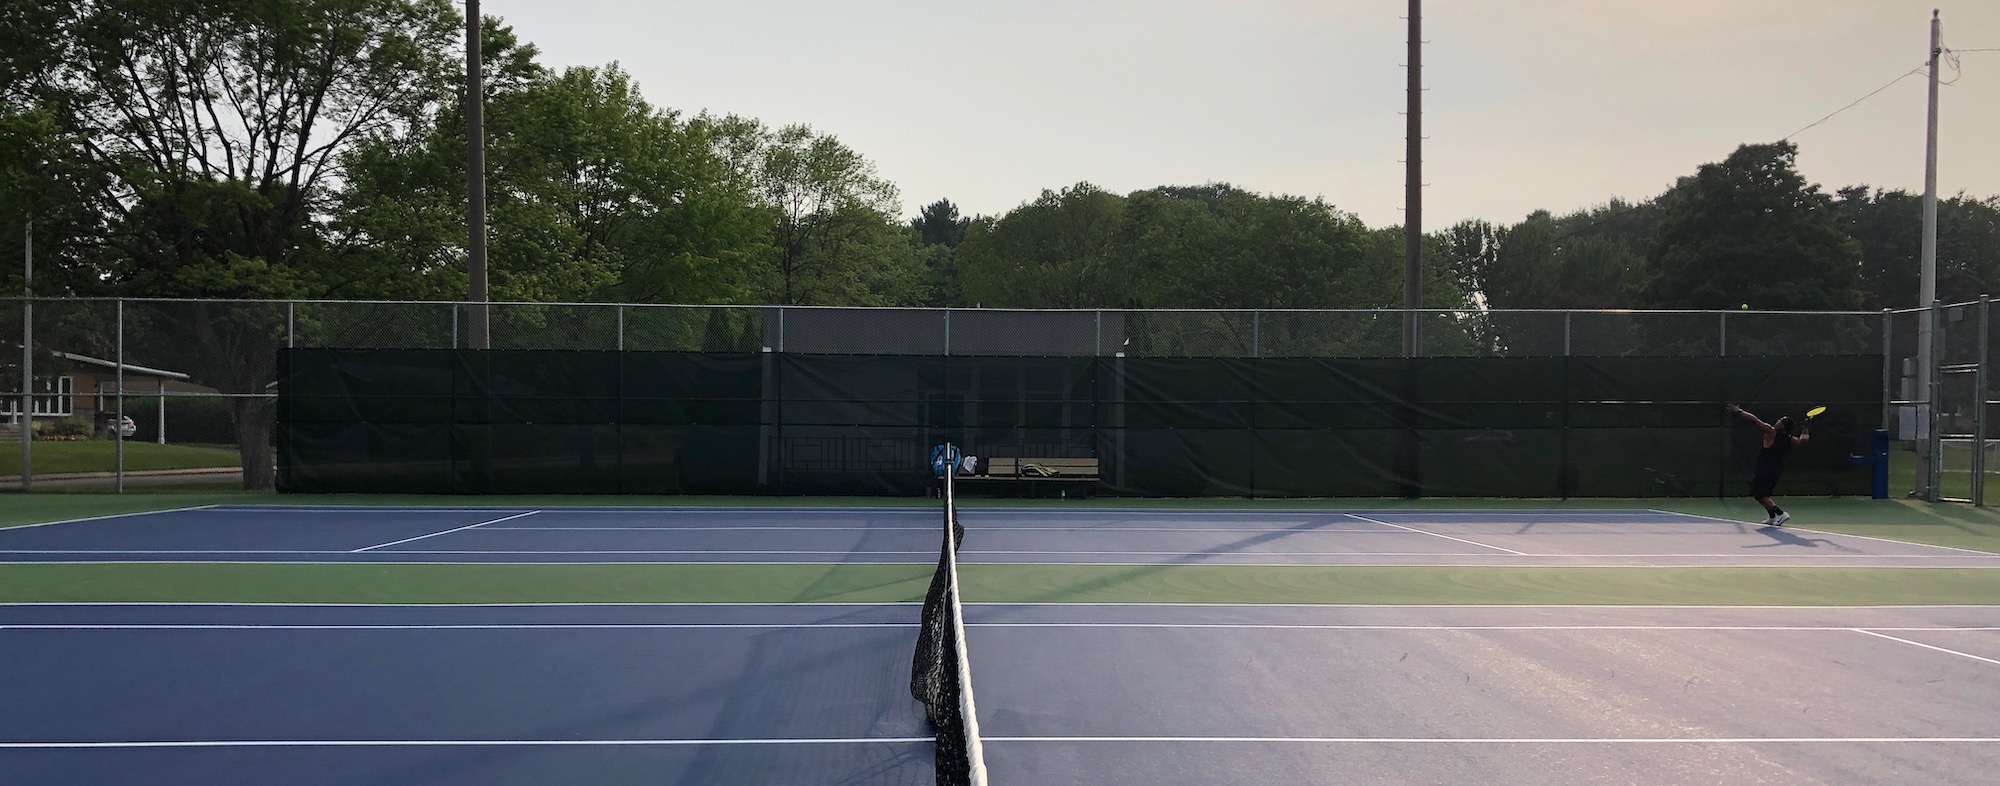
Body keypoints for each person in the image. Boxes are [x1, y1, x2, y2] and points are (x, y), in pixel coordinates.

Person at [1725, 404, 1809, 526]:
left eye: (1781, 421)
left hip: (1765, 470)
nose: (1778, 421)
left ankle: (1780, 513)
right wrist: (1806, 427)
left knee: (1759, 494)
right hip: (1775, 471)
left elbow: (1754, 420)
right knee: (1764, 494)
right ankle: (1772, 517)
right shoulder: (1790, 439)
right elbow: (1803, 440)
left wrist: (1739, 411)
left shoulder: (1771, 432)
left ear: (1784, 426)